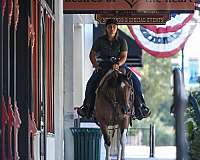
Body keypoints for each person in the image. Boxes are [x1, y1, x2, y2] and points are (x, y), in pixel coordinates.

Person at [77, 18, 151, 120]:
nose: (112, 29)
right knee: (90, 83)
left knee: (136, 82)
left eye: (114, 27)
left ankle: (140, 107)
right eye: (109, 27)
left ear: (117, 28)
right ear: (106, 28)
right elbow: (92, 54)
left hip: (119, 65)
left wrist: (118, 64)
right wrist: (96, 65)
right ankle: (87, 108)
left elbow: (124, 56)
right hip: (104, 65)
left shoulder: (122, 41)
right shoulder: (100, 40)